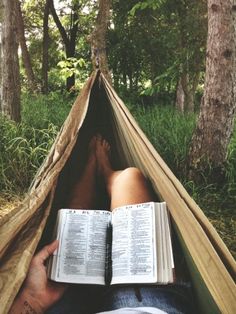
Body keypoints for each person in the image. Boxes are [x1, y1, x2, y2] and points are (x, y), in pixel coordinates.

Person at [10, 136, 196, 314]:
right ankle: (108, 176)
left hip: (61, 301)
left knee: (76, 218)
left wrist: (34, 299)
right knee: (129, 179)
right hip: (143, 302)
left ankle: (92, 167)